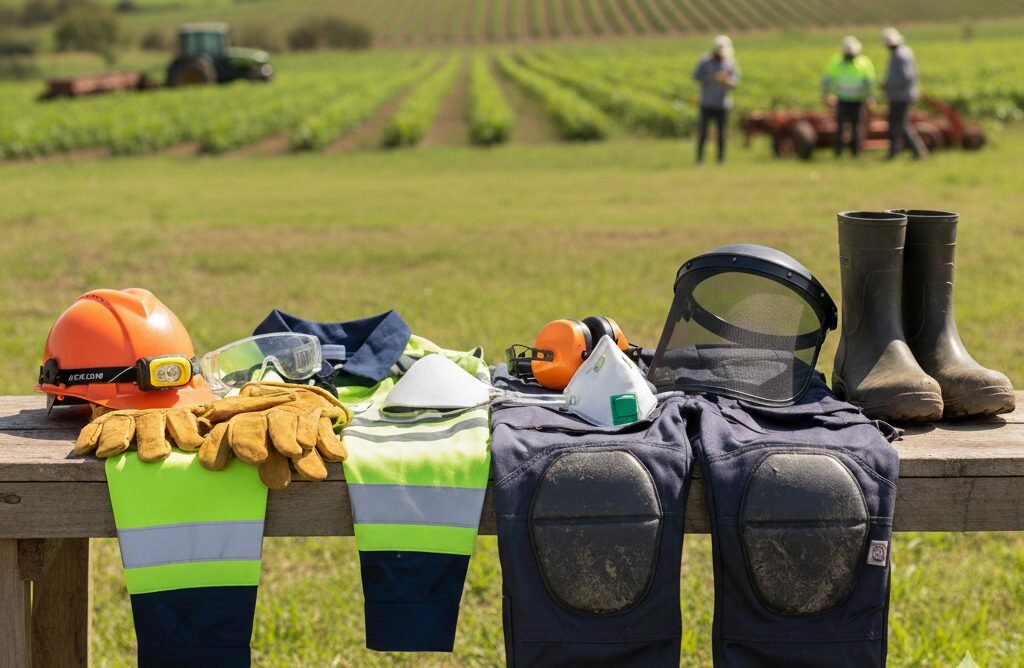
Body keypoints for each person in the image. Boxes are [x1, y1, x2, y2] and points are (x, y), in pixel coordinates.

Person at [822, 36, 875, 158]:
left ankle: (855, 152)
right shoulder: (837, 62)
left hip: (858, 100)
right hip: (842, 99)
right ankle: (838, 152)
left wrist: (869, 96)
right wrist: (826, 93)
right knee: (840, 126)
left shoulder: (864, 62)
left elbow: (869, 81)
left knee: (856, 126)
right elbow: (827, 78)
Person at [881, 27, 927, 160]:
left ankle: (916, 151)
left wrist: (889, 85)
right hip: (899, 95)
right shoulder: (901, 53)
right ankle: (895, 152)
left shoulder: (901, 55)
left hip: (901, 96)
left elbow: (907, 76)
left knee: (899, 124)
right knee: (897, 124)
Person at [693, 35, 740, 165]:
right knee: (703, 132)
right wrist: (712, 78)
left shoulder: (730, 62)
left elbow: (736, 81)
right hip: (706, 102)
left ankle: (721, 159)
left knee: (722, 132)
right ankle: (699, 159)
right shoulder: (705, 61)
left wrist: (727, 81)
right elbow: (696, 76)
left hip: (722, 103)